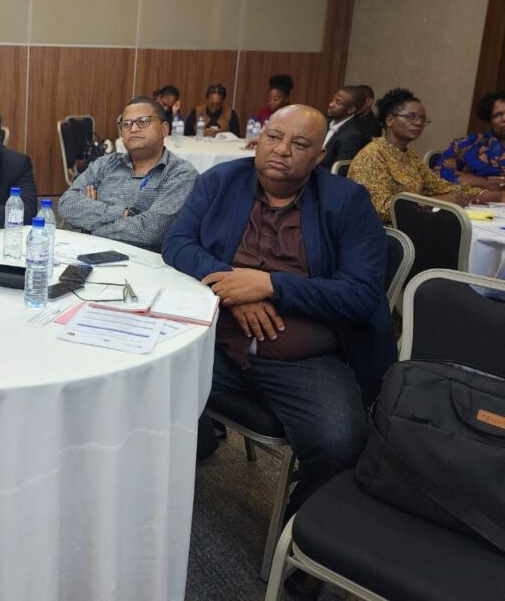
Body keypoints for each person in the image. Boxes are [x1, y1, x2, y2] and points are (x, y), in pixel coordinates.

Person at [163, 104, 395, 515]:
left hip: (302, 360)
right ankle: (187, 457)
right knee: (139, 381)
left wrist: (270, 286)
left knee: (341, 444)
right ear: (259, 140)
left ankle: (299, 531)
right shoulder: (221, 181)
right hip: (214, 343)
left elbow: (361, 294)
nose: (282, 149)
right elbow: (177, 243)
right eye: (274, 137)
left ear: (319, 156)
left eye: (299, 144)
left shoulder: (347, 202)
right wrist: (236, 287)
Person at [58, 97, 197, 251]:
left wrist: (91, 224)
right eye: (126, 124)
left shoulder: (180, 174)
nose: (134, 129)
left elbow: (150, 231)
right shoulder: (105, 164)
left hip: (142, 261)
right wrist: (123, 213)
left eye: (143, 121)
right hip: (87, 252)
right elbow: (66, 205)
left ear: (164, 129)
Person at [349, 88, 499, 224]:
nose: (418, 123)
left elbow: (441, 187)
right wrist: (437, 201)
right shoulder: (371, 156)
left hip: (413, 225)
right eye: (411, 117)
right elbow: (379, 210)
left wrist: (495, 196)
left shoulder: (410, 156)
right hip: (386, 234)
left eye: (422, 118)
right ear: (390, 120)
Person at [435, 91, 505, 194]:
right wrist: (483, 182)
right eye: (498, 115)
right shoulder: (469, 144)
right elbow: (439, 173)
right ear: (489, 120)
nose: (504, 119)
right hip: (474, 200)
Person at [319, 85, 373, 168]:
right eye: (333, 100)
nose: (331, 104)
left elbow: (338, 170)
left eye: (338, 103)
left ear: (351, 110)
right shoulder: (325, 121)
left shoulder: (353, 136)